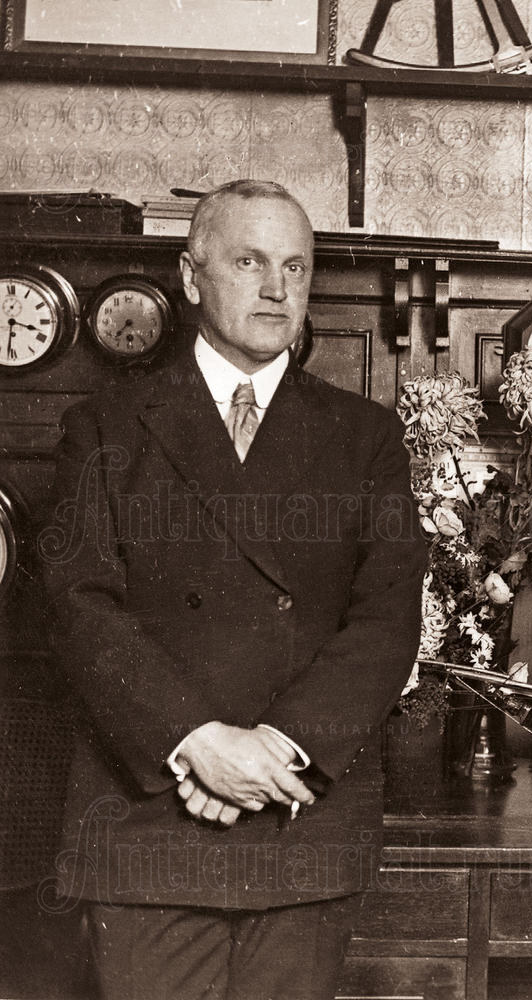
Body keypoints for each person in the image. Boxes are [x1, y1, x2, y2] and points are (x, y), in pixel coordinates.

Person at [41, 179, 427, 999]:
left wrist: (281, 748)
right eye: (249, 262)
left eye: (295, 266)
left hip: (299, 817)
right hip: (149, 823)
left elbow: (388, 618)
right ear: (191, 277)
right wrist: (197, 744)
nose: (277, 288)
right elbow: (78, 606)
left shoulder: (365, 435)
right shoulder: (105, 425)